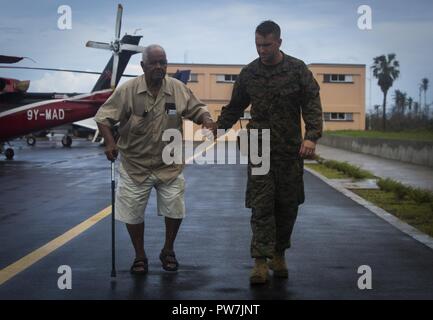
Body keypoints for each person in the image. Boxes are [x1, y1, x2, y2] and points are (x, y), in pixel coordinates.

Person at [215, 21, 323, 284]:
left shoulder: (298, 70)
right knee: (261, 205)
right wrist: (216, 127)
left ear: (279, 43)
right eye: (258, 44)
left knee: (287, 205)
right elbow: (235, 106)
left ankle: (279, 253)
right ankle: (260, 262)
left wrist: (311, 137)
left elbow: (311, 104)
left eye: (267, 45)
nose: (262, 50)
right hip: (259, 147)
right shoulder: (249, 73)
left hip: (289, 148)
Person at [95, 44, 215, 275]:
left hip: (168, 165)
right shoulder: (128, 90)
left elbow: (197, 109)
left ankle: (168, 250)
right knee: (132, 212)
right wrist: (110, 142)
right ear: (143, 66)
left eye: (163, 62)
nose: (159, 67)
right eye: (154, 63)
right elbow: (103, 117)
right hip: (134, 165)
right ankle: (140, 255)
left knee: (175, 209)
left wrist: (207, 120)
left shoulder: (178, 89)